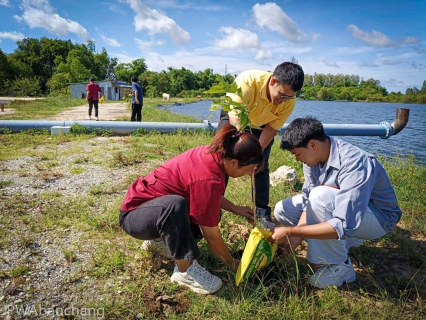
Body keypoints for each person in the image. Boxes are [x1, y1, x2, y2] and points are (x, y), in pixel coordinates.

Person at [119, 124, 264, 294]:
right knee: (176, 206)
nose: (248, 175)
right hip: (134, 216)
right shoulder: (208, 176)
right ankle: (185, 271)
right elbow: (211, 235)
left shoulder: (214, 155)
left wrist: (234, 208)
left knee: (209, 210)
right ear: (234, 162)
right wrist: (231, 263)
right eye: (248, 170)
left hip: (151, 212)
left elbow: (208, 195)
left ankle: (158, 242)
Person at [269, 117, 402, 289]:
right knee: (283, 209)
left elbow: (344, 223)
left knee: (320, 197)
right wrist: (296, 238)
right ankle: (346, 242)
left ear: (313, 145)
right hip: (351, 213)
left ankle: (339, 265)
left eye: (297, 154)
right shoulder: (313, 158)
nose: (297, 160)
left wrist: (291, 230)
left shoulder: (354, 162)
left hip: (378, 218)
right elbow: (307, 201)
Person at [218, 62, 304, 226]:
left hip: (263, 124)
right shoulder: (247, 82)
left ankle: (262, 214)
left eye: (290, 97)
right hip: (236, 117)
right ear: (273, 81)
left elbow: (272, 128)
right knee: (224, 157)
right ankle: (214, 204)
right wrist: (240, 150)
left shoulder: (289, 100)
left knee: (260, 164)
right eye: (282, 95)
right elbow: (236, 122)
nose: (284, 100)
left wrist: (255, 154)